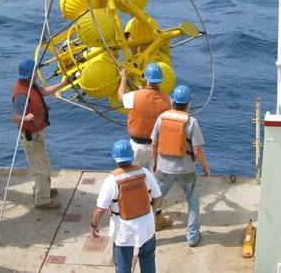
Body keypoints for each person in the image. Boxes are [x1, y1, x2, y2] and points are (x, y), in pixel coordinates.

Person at [151, 85, 210, 247]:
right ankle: (192, 237)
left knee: (154, 201)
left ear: (172, 102)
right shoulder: (192, 122)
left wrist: (155, 162)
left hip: (163, 168)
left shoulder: (161, 118)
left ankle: (146, 236)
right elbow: (197, 150)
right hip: (186, 170)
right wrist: (205, 166)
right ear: (188, 104)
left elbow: (154, 143)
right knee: (193, 201)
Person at [90, 139, 162, 273]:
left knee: (123, 265)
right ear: (132, 156)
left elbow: (100, 209)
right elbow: (157, 197)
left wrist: (94, 225)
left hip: (124, 232)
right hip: (147, 227)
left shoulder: (112, 181)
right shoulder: (145, 173)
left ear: (116, 159)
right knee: (148, 259)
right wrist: (151, 213)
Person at [12, 58, 70, 209]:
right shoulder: (21, 94)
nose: (37, 74)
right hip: (31, 137)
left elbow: (44, 91)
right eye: (35, 72)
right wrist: (24, 117)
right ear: (31, 75)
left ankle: (42, 190)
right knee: (40, 168)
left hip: (37, 133)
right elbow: (15, 117)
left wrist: (63, 84)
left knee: (42, 165)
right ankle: (42, 200)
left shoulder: (30, 85)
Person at [117, 63, 171, 169]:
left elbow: (120, 96)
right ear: (161, 80)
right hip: (157, 147)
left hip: (137, 146)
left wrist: (124, 78)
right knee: (156, 179)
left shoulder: (135, 96)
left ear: (146, 78)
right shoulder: (169, 101)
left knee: (132, 175)